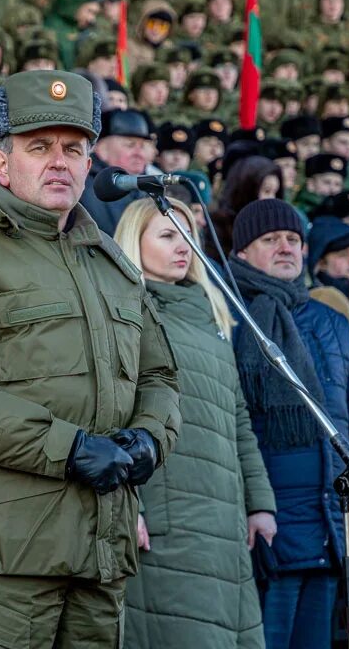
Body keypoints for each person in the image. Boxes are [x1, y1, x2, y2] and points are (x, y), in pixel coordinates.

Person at [0, 70, 180, 646]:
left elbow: (158, 374)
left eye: (73, 149)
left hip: (100, 553)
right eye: (39, 147)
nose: (60, 162)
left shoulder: (111, 264)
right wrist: (70, 448)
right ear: (1, 165)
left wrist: (150, 439)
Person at [115, 197, 275, 649]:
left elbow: (237, 415)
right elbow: (110, 412)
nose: (183, 246)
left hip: (223, 516)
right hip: (168, 516)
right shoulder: (125, 310)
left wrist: (258, 502)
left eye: (188, 235)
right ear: (134, 241)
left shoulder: (210, 313)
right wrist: (132, 507)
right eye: (167, 235)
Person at [227, 198, 349, 649]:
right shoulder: (228, 318)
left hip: (330, 525)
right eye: (270, 240)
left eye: (293, 239)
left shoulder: (332, 323)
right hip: (265, 531)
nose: (285, 248)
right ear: (240, 254)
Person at [79, 108, 156, 235]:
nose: (139, 154)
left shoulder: (150, 186)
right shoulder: (83, 185)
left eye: (142, 146)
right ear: (102, 148)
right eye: (130, 145)